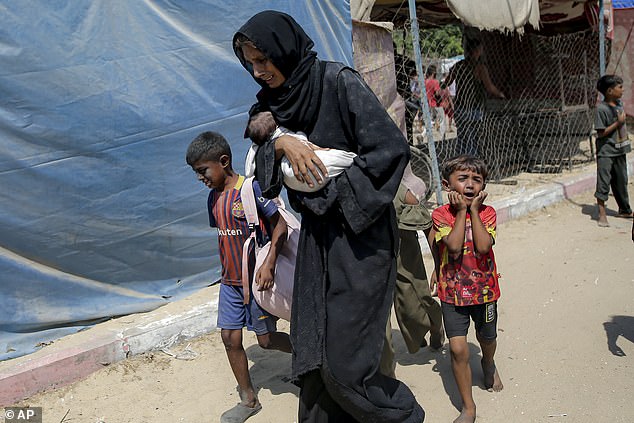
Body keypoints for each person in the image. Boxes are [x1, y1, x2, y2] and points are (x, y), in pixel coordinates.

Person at [233, 10, 425, 422]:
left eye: (263, 60)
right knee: (314, 351)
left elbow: (389, 151)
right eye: (250, 62)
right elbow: (259, 156)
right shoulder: (272, 104)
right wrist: (283, 145)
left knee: (347, 364)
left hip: (362, 237)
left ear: (284, 50)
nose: (257, 71)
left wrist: (328, 189)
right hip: (318, 238)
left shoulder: (337, 82)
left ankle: (405, 417)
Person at [185, 131, 292, 423]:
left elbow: (279, 225)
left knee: (266, 341)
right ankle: (249, 399)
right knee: (230, 339)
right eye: (196, 173)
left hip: (256, 283)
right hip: (230, 283)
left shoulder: (250, 189)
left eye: (203, 171)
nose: (200, 178)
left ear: (224, 161)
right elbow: (225, 237)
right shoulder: (213, 199)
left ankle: (308, 359)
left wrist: (269, 263)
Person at [430, 155, 503, 423]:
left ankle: (487, 361)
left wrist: (473, 211)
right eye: (463, 179)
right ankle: (468, 407)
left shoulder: (488, 212)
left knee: (487, 338)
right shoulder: (440, 214)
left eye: (477, 179)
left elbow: (484, 246)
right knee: (458, 349)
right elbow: (452, 246)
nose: (470, 184)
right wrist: (461, 212)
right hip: (452, 293)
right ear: (448, 185)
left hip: (485, 293)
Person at [380, 177, 445, 378]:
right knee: (378, 325)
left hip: (404, 258)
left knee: (416, 305)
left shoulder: (397, 192)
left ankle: (436, 326)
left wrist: (438, 265)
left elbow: (428, 226)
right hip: (371, 266)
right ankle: (386, 376)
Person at [244, 110, 356, 193]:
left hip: (296, 183)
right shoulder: (284, 133)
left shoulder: (257, 149)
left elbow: (250, 169)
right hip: (309, 171)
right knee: (339, 159)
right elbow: (301, 141)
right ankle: (351, 158)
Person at [443, 38, 505, 156]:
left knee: (462, 137)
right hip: (473, 107)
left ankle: (461, 159)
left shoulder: (458, 66)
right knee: (472, 138)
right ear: (478, 51)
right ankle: (472, 161)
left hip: (460, 106)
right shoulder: (480, 67)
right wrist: (501, 94)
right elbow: (489, 87)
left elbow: (446, 83)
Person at [593, 74, 632, 227]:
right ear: (610, 91)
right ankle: (602, 214)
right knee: (603, 182)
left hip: (620, 150)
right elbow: (601, 133)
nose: (622, 90)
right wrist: (618, 123)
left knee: (621, 181)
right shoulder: (601, 109)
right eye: (619, 87)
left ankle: (625, 209)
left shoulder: (618, 104)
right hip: (606, 152)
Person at [424, 65, 444, 133]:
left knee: (432, 119)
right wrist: (440, 89)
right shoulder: (435, 81)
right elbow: (437, 93)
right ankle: (442, 137)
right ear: (433, 72)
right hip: (435, 103)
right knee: (441, 119)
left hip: (427, 103)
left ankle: (422, 134)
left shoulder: (425, 81)